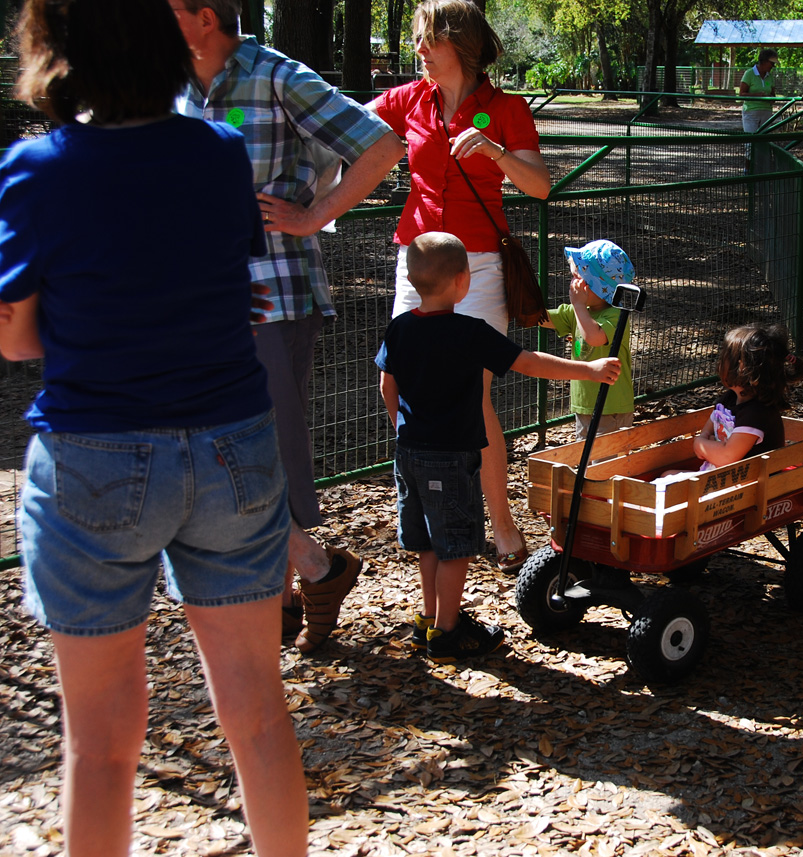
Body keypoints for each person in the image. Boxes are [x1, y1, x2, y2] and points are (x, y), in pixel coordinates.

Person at [0, 1, 307, 854]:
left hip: (94, 449)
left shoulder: (38, 168)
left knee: (99, 746)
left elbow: (16, 337)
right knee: (257, 713)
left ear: (56, 49)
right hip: (234, 446)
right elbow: (225, 289)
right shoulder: (217, 149)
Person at [172, 0, 406, 653]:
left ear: (206, 16)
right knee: (226, 452)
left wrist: (311, 216)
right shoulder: (175, 85)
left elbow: (382, 145)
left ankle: (313, 573)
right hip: (204, 303)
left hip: (271, 298)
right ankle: (292, 592)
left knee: (260, 452)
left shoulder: (277, 75)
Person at [370, 0, 552, 575]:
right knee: (393, 384)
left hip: (475, 268)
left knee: (471, 397)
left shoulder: (506, 109)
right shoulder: (408, 100)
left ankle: (499, 524)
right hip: (417, 262)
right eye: (420, 39)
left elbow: (541, 187)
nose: (419, 50)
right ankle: (429, 500)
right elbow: (344, 122)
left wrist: (496, 152)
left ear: (463, 46)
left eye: (430, 40)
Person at [376, 233, 620, 661]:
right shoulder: (470, 332)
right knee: (455, 546)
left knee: (429, 542)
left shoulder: (400, 327)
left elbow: (387, 385)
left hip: (408, 452)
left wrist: (403, 426)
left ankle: (430, 619)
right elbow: (529, 362)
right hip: (450, 456)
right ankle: (449, 633)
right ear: (460, 281)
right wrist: (589, 369)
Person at [663, 324, 803, 478]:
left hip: (748, 485)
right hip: (722, 477)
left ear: (742, 367)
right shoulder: (729, 399)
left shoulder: (755, 415)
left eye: (724, 358)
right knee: (666, 476)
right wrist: (713, 445)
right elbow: (708, 431)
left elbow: (726, 457)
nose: (719, 362)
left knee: (668, 489)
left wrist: (700, 445)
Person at [541, 240, 637, 440]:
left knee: (603, 466)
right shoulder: (579, 312)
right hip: (585, 405)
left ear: (600, 285)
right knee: (587, 461)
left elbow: (594, 337)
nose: (574, 285)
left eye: (580, 280)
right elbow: (541, 318)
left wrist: (577, 305)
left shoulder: (616, 316)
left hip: (611, 407)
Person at [739, 48, 779, 136]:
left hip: (766, 112)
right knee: (751, 141)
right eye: (771, 63)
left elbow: (773, 95)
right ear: (764, 61)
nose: (773, 66)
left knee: (764, 141)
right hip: (751, 112)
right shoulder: (749, 74)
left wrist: (771, 98)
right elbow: (741, 94)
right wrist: (757, 95)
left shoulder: (770, 76)